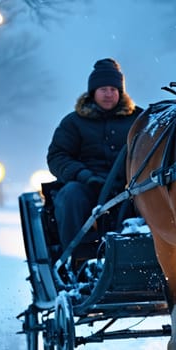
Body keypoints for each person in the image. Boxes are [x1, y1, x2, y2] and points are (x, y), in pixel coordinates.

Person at [46, 58, 143, 251]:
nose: (109, 94)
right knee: (71, 195)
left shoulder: (139, 119)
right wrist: (85, 177)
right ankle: (77, 257)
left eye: (113, 90)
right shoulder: (73, 122)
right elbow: (57, 156)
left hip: (131, 188)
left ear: (120, 92)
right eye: (103, 89)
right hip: (87, 186)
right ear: (93, 92)